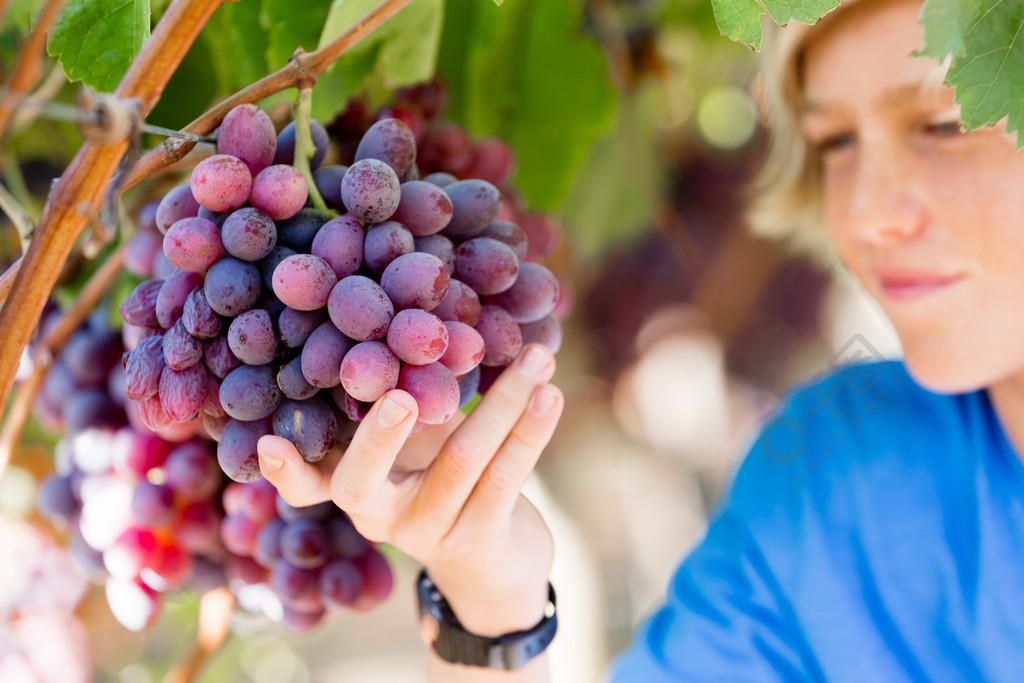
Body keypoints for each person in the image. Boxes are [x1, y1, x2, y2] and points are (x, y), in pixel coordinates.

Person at [256, 0, 1024, 679]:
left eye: (946, 122)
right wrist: (490, 605)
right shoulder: (831, 472)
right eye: (833, 143)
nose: (863, 214)